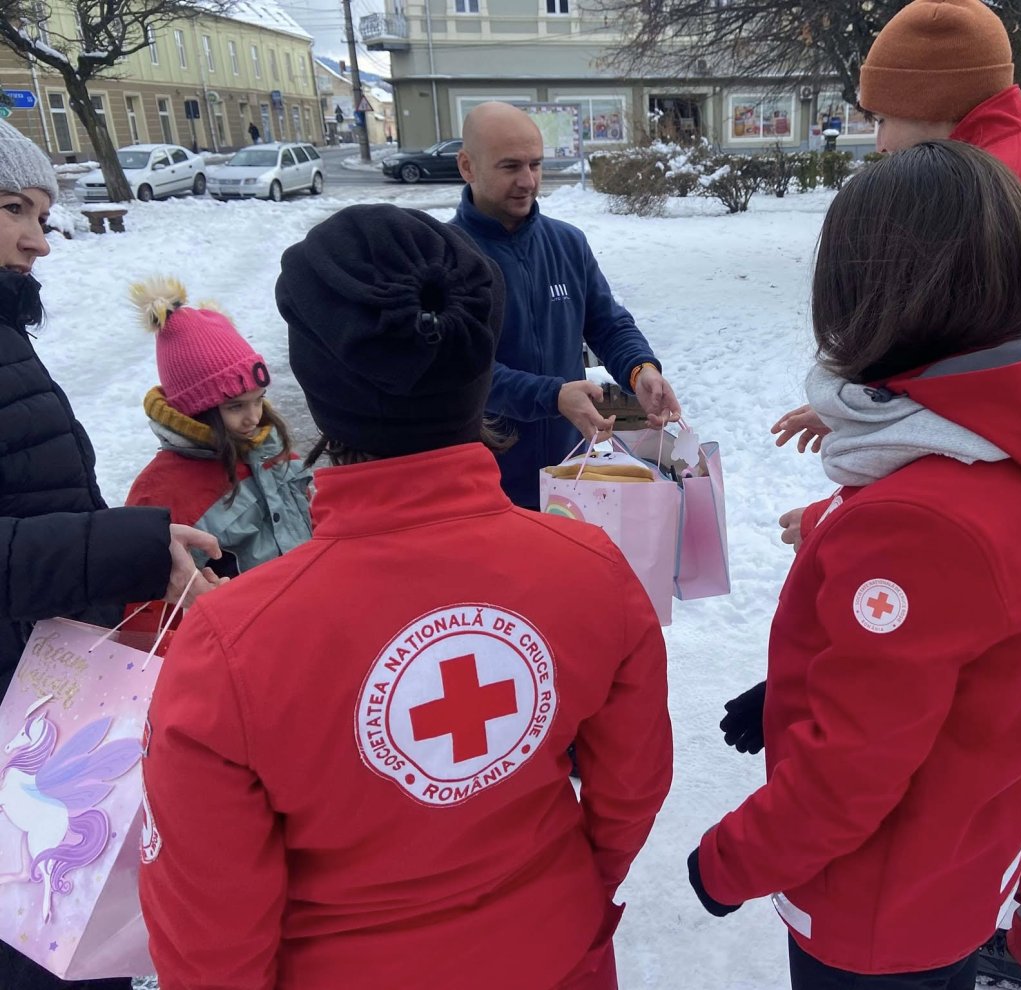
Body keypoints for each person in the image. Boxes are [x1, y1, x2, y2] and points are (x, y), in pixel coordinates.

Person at [138, 205, 673, 990]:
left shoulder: (228, 646)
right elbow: (632, 791)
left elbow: (209, 933)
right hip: (556, 953)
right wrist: (564, 889)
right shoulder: (591, 570)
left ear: (314, 383)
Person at [769, 4, 1021, 987]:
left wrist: (843, 516)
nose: (876, 139)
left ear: (928, 104)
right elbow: (996, 377)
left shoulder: (1002, 189)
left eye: (882, 116)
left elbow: (996, 442)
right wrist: (880, 406)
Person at [690, 141, 1021, 990]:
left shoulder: (916, 522)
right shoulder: (1018, 436)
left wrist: (727, 863)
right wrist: (804, 686)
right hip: (953, 868)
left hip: (878, 911)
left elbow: (850, 776)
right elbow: (971, 647)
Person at [0, 120, 221, 990]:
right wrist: (127, 545)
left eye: (44, 215)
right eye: (13, 208)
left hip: (35, 715)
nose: (37, 239)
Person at [450, 101, 682, 508]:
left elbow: (607, 324)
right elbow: (462, 372)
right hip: (483, 484)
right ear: (467, 166)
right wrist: (552, 395)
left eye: (535, 165)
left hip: (570, 473)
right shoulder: (445, 255)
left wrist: (640, 369)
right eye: (510, 167)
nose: (528, 181)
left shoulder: (566, 243)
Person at [125, 276, 312, 584]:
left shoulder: (270, 448)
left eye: (258, 400)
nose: (254, 418)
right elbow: (150, 601)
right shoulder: (159, 493)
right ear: (198, 409)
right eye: (235, 407)